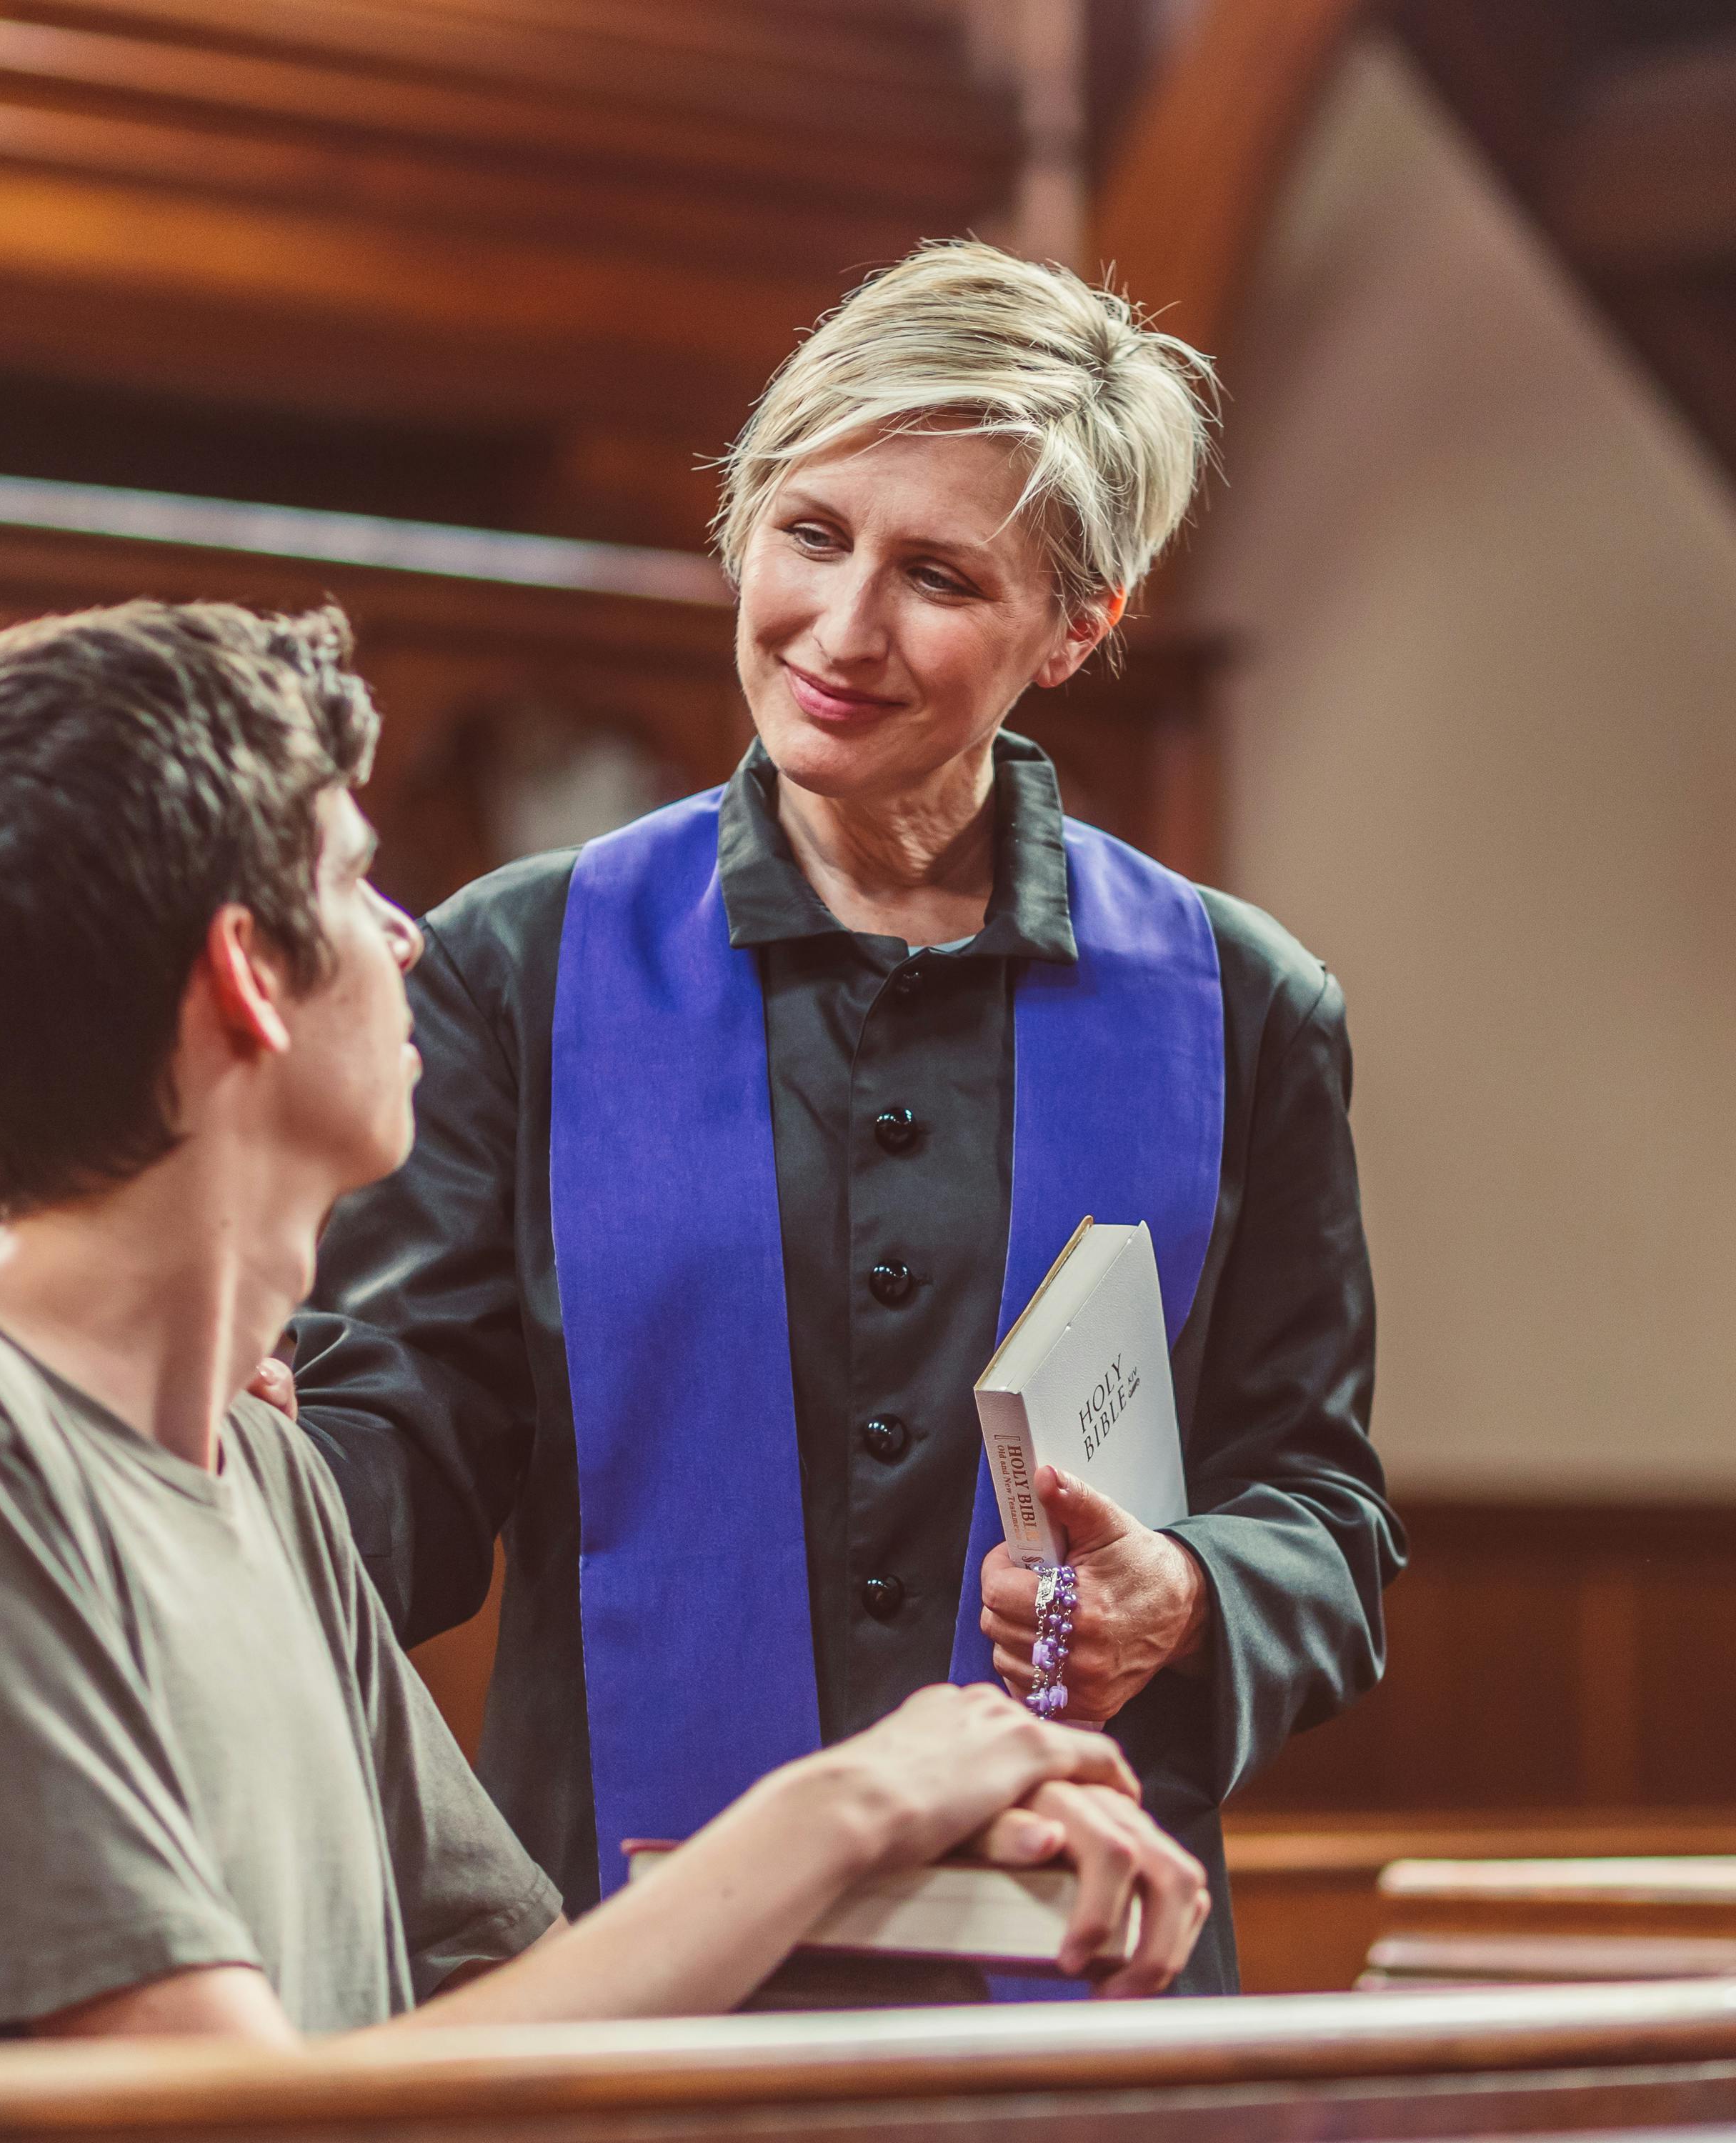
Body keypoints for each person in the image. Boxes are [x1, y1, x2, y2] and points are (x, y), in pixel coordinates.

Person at [0, 600, 1205, 2050]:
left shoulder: (258, 1473)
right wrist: (848, 1806)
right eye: (350, 880)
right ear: (249, 978)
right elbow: (222, 2132)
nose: (408, 939)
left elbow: (522, 1997)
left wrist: (925, 1832)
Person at [289, 239, 1404, 1994]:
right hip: (633, 1964)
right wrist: (228, 1453)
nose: (844, 629)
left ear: (1077, 624)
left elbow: (1319, 1508)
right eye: (811, 535)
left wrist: (1184, 1594)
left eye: (941, 576)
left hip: (1082, 1966)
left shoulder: (1240, 1008)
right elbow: (414, 1444)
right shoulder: (519, 965)